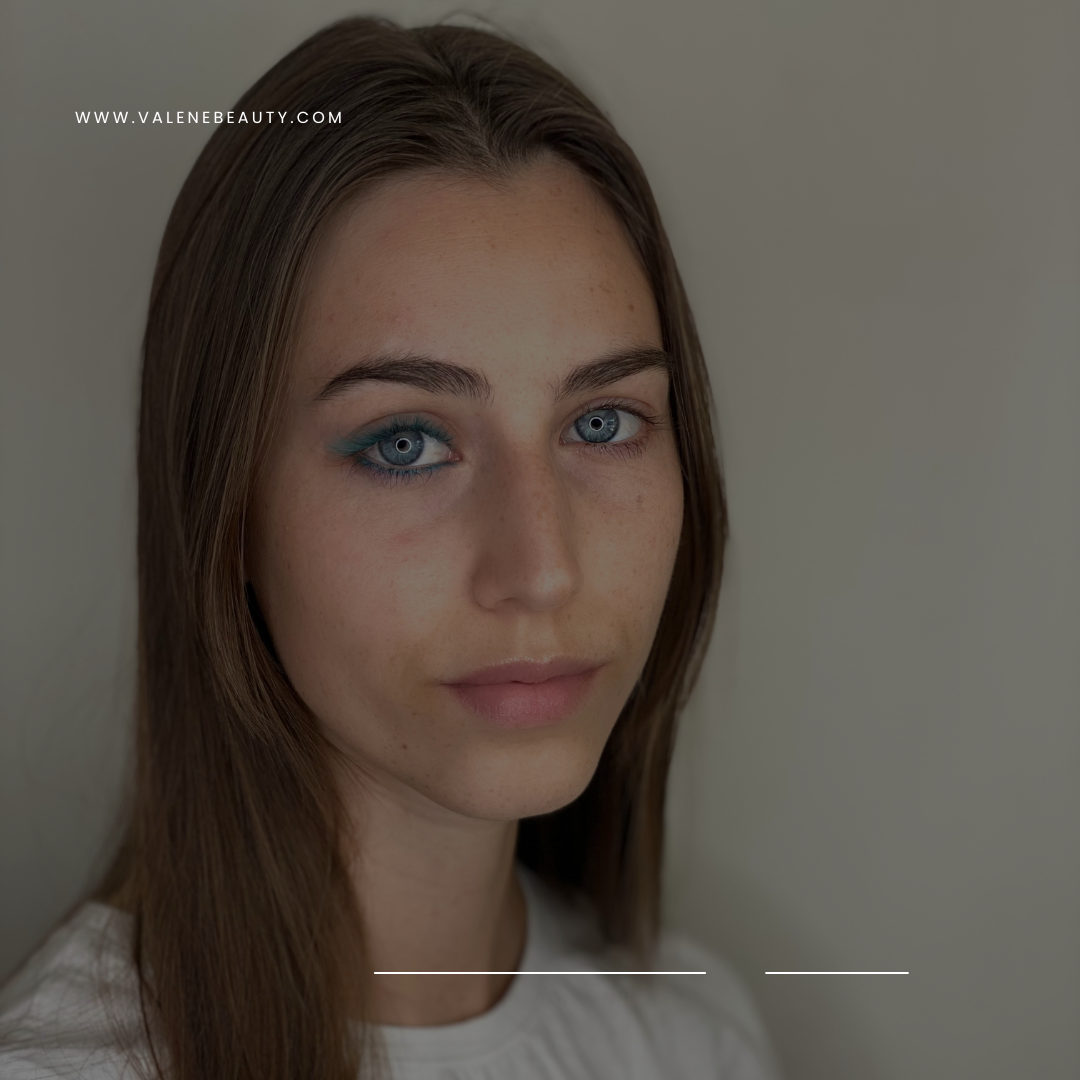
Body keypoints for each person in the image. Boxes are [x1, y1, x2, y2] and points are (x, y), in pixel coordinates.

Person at [0, 15, 780, 1080]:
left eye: (601, 423)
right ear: (226, 509)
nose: (543, 568)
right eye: (405, 443)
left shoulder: (696, 1040)